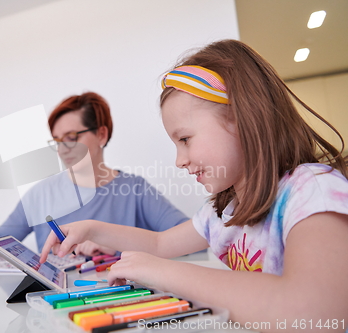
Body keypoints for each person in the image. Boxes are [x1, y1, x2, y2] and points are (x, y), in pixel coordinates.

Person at [40, 40, 348, 328]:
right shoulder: (225, 211)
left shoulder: (312, 190)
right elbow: (161, 244)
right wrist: (92, 228)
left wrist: (162, 272)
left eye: (185, 139)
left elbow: (314, 314)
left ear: (243, 118)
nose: (179, 160)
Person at [0, 92, 189, 265]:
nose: (62, 149)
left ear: (101, 135)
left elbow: (194, 240)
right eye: (56, 141)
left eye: (71, 137)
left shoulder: (134, 190)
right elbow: (2, 237)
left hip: (119, 305)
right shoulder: (41, 194)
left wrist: (117, 249)